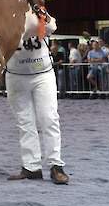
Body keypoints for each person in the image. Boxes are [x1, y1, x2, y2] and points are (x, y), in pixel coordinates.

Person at [5, 20, 69, 185]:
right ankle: (31, 167)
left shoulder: (37, 13)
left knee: (49, 118)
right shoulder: (4, 16)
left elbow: (51, 27)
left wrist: (38, 13)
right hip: (15, 75)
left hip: (43, 74)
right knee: (24, 122)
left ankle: (56, 165)